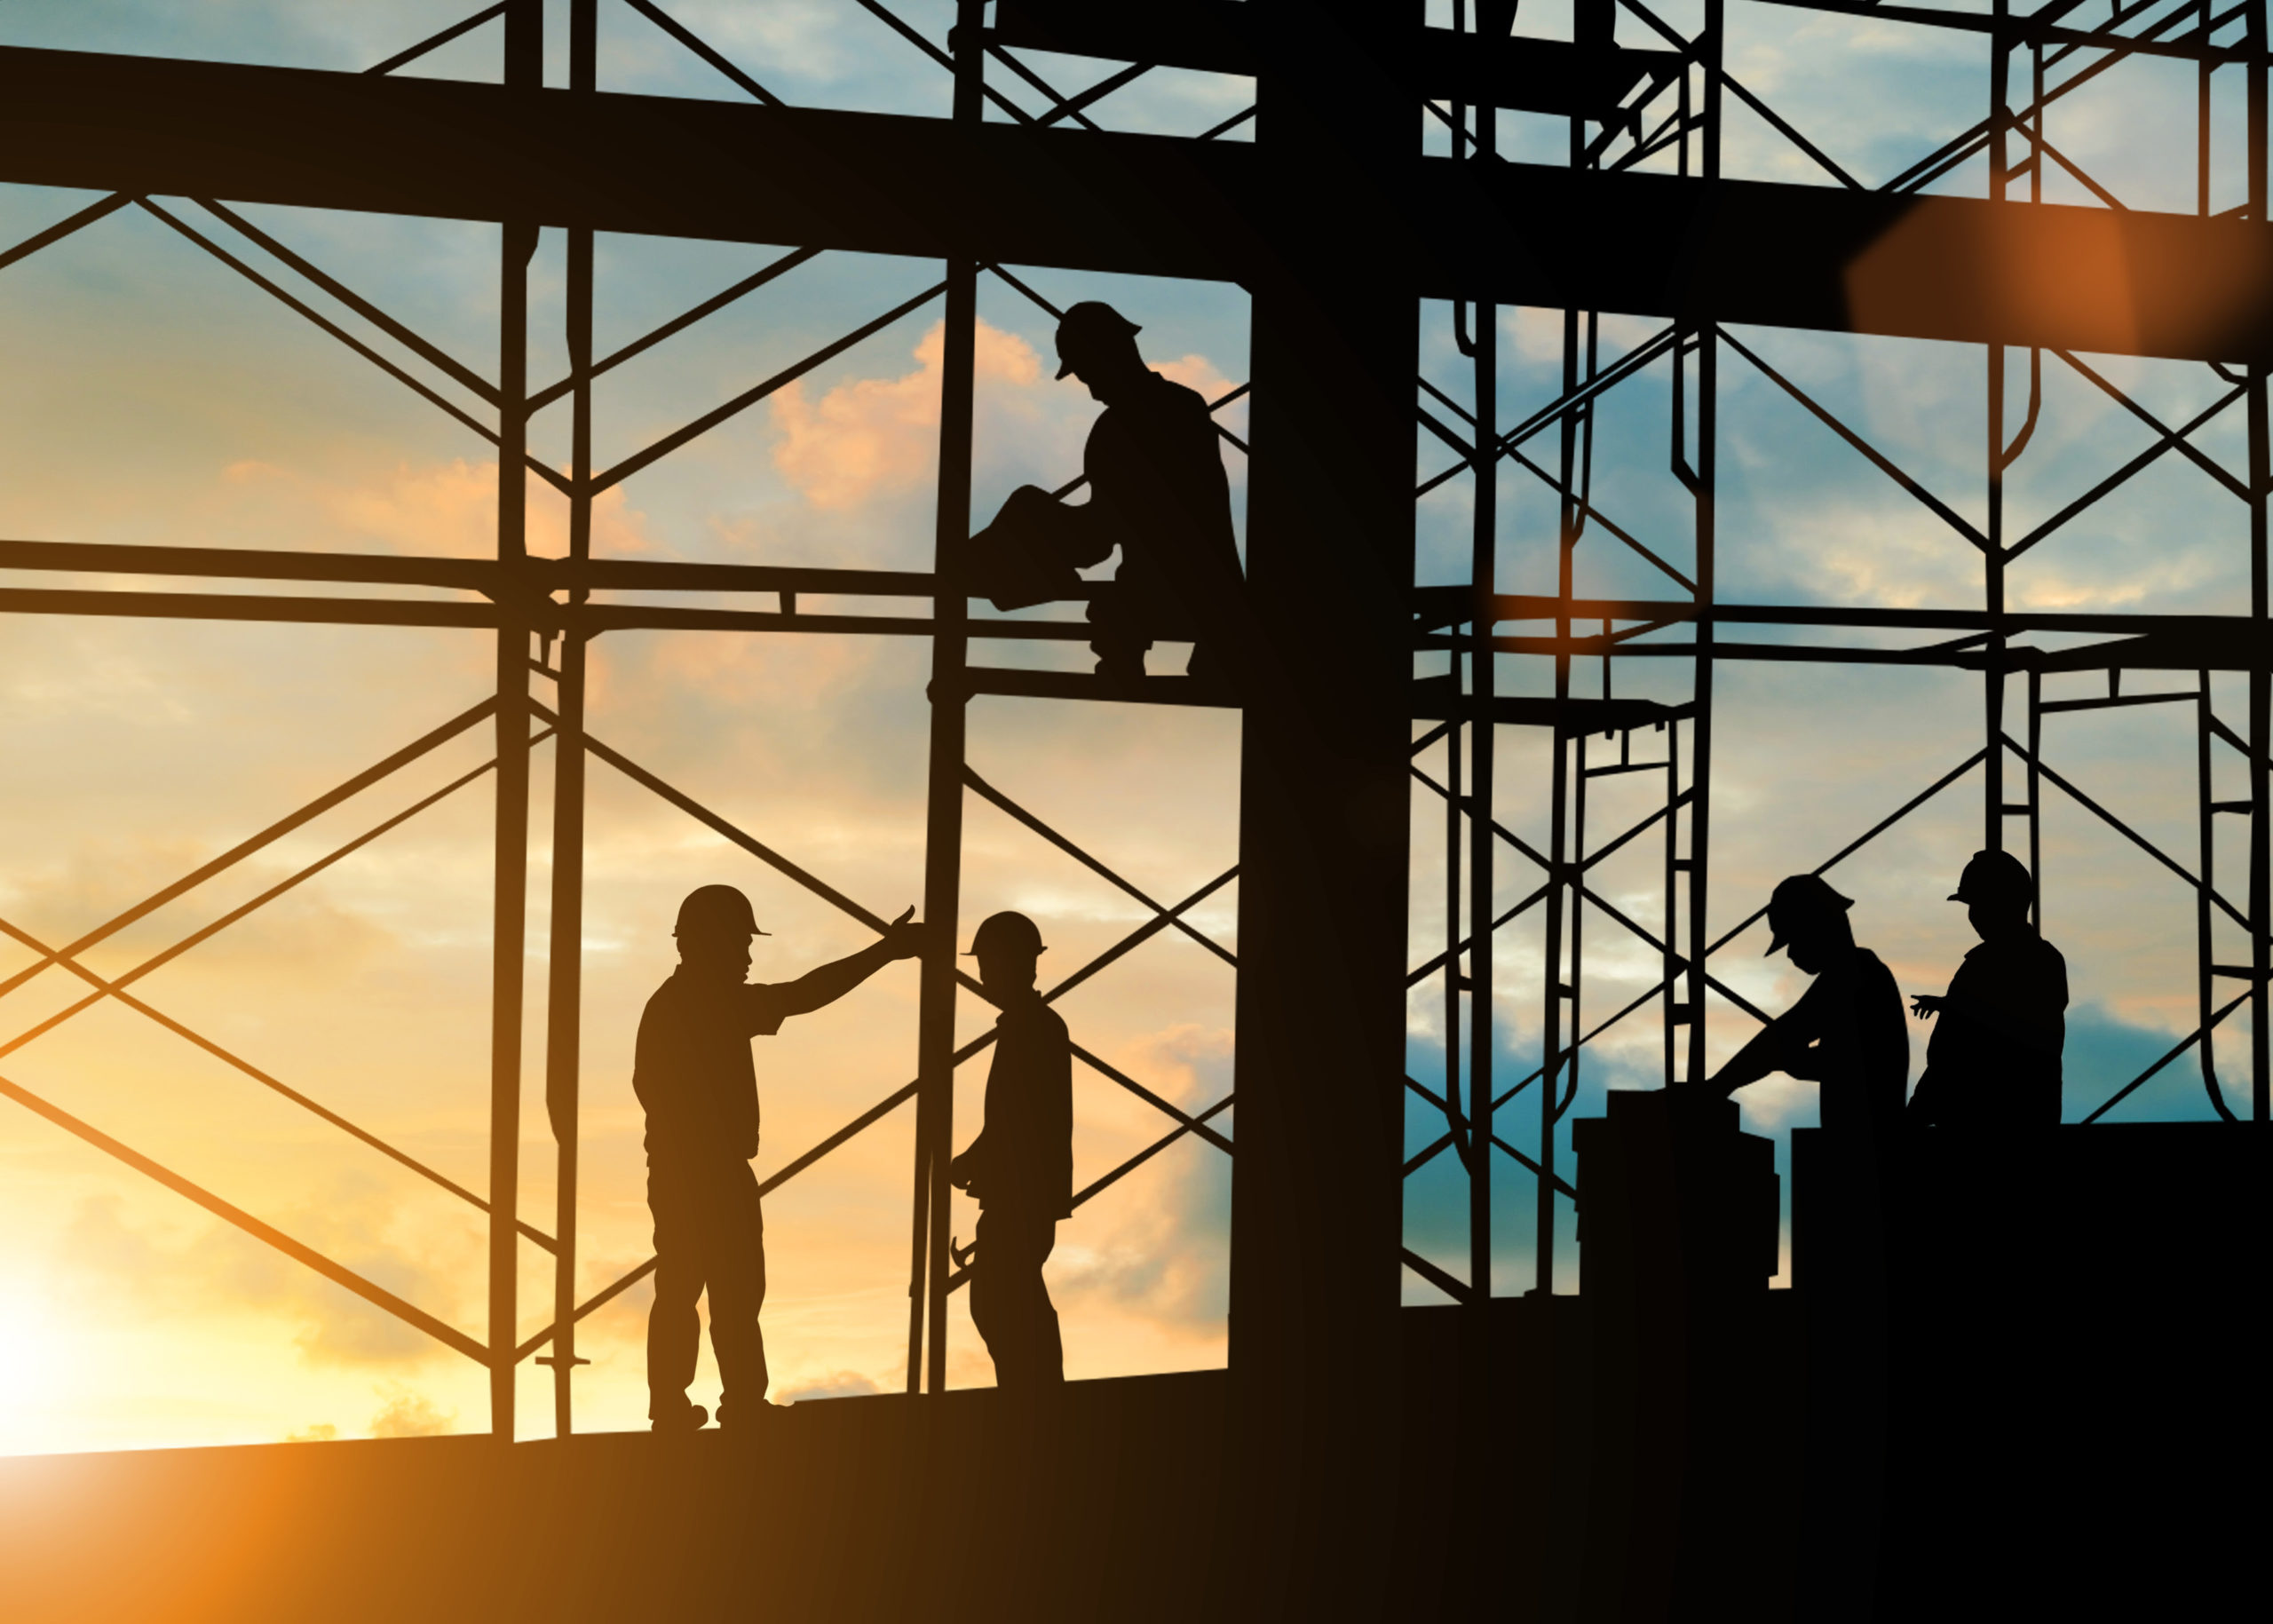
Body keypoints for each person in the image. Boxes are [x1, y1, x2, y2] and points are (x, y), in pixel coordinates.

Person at [636, 883, 926, 1432]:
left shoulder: (682, 1004)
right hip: (703, 1173)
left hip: (694, 1173)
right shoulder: (703, 1003)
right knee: (715, 1287)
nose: (748, 957)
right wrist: (884, 952)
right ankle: (720, 1403)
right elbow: (802, 994)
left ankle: (692, 1403)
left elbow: (796, 994)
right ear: (708, 944)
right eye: (741, 944)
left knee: (712, 1288)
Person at [969, 301, 1244, 683]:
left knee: (1108, 606)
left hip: (1178, 591)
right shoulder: (1180, 406)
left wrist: (1021, 540)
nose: (1093, 390)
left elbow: (1103, 535)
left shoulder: (1122, 429)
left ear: (1109, 356)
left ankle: (1125, 661)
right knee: (1107, 601)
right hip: (1203, 591)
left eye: (1087, 374)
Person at [947, 912, 1073, 1390]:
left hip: (1024, 1194)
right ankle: (1031, 1388)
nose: (982, 977)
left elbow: (1019, 1119)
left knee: (1003, 1299)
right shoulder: (1030, 1026)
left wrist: (973, 1161)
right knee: (1007, 1298)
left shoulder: (1032, 1029)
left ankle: (1034, 1391)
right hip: (1020, 1193)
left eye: (988, 966)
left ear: (1015, 965)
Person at [1704, 874, 1909, 1135]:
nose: (1790, 953)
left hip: (1868, 1144)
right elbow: (1841, 1057)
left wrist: (1717, 1087)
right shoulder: (1862, 973)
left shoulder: (1852, 975)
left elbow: (1786, 1035)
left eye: (1793, 939)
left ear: (1816, 926)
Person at [1907, 849, 2068, 1132]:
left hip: (1994, 1127)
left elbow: (1973, 1051)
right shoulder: (1997, 964)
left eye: (1979, 905)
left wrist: (1914, 1116)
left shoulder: (2020, 964)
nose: (1974, 916)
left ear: (2003, 905)